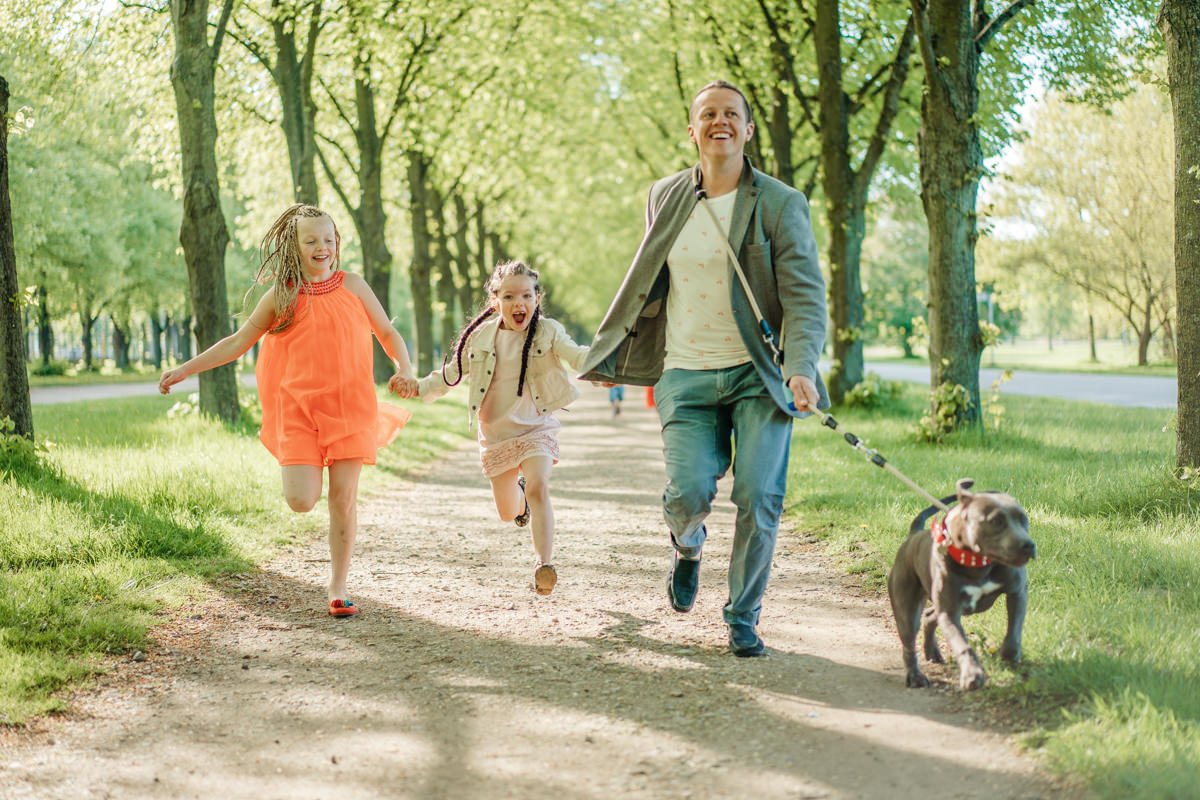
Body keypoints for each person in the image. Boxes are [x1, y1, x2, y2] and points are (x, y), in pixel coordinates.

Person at [578, 80, 829, 657]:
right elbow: (648, 280)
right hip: (685, 371)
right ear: (692, 130)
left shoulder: (780, 203)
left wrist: (801, 367)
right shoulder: (664, 196)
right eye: (708, 114)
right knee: (689, 490)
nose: (720, 122)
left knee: (759, 496)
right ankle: (687, 545)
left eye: (731, 114)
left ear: (747, 129)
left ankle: (743, 616)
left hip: (758, 373)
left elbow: (805, 298)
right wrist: (615, 351)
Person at [159, 203, 416, 618]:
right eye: (311, 240)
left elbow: (386, 331)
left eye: (329, 239)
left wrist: (405, 367)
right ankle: (331, 569)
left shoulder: (353, 285)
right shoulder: (282, 295)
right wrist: (186, 369)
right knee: (301, 499)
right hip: (297, 410)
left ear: (338, 243)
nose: (322, 247)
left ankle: (338, 587)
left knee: (343, 498)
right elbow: (237, 342)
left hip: (349, 407)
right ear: (294, 247)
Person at [391, 260, 588, 596]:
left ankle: (544, 563)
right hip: (496, 435)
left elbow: (578, 355)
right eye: (509, 296)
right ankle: (521, 505)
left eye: (526, 295)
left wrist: (607, 358)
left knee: (539, 486)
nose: (518, 303)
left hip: (535, 427)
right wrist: (417, 386)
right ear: (495, 301)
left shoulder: (548, 331)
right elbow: (450, 375)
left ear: (537, 299)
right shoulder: (481, 338)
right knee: (507, 511)